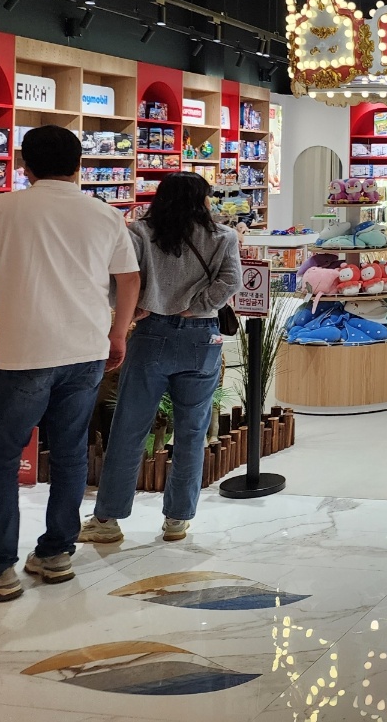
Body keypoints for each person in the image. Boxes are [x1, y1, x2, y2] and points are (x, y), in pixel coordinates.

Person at [0, 125, 140, 602]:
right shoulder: (104, 213)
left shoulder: (3, 208)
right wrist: (118, 333)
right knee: (71, 454)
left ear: (24, 164)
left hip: (24, 353)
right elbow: (129, 279)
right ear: (79, 165)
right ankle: (56, 553)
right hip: (87, 350)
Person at [79, 172, 239, 546]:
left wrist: (136, 309)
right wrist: (196, 306)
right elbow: (230, 281)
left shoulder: (139, 232)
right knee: (192, 432)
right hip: (202, 337)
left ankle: (107, 520)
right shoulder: (222, 236)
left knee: (129, 428)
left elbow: (118, 280)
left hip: (152, 334)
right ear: (202, 200)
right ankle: (178, 519)